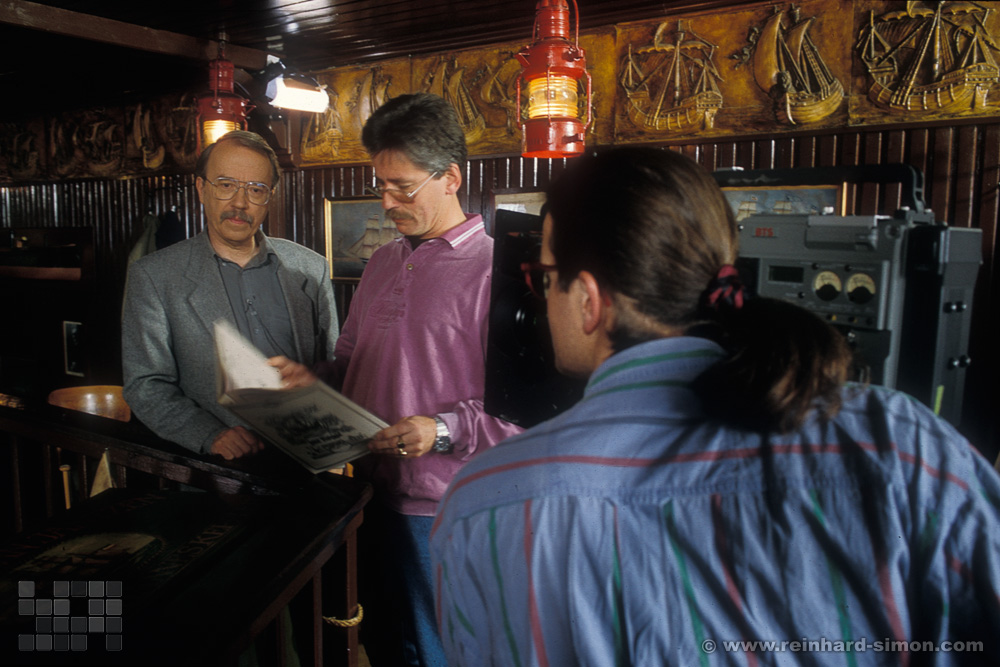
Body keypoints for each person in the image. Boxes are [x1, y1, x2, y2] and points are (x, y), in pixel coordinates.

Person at [430, 147, 1000, 665]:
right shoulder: (901, 443)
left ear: (589, 301)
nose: (540, 296)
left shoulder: (480, 506)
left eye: (543, 277)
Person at [122, 130, 339, 459]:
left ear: (270, 197)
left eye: (256, 189)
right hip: (214, 469)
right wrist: (209, 435)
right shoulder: (154, 276)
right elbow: (146, 384)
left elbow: (334, 367)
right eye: (226, 185)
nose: (240, 203)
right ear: (201, 189)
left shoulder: (312, 268)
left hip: (306, 461)